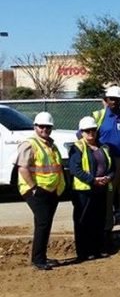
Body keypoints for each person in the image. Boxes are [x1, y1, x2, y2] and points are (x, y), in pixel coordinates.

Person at [16, 112, 66, 270]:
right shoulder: (29, 144)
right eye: (42, 126)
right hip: (36, 190)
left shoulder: (51, 145)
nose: (45, 129)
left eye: (48, 127)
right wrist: (33, 188)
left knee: (45, 223)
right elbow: (23, 168)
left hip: (51, 190)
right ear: (35, 127)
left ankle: (41, 256)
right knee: (43, 222)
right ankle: (38, 259)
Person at [92, 85, 120, 233]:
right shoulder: (98, 116)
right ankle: (106, 226)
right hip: (107, 163)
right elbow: (84, 135)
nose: (114, 102)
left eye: (117, 99)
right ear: (106, 100)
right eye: (111, 99)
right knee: (108, 195)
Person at [69, 116, 114, 261]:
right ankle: (83, 252)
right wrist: (92, 180)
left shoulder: (104, 147)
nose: (90, 133)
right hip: (84, 191)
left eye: (93, 130)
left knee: (98, 220)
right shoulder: (77, 148)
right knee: (83, 221)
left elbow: (112, 166)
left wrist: (108, 177)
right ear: (81, 132)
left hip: (100, 189)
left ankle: (96, 249)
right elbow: (75, 169)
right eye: (87, 131)